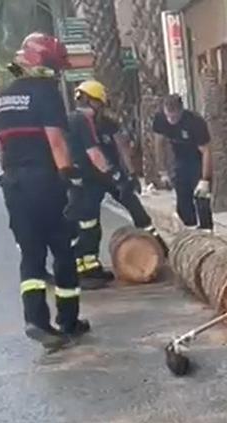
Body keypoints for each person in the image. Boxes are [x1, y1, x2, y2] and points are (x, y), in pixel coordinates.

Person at [0, 32, 88, 350]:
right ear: (43, 62)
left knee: (31, 254)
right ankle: (69, 321)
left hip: (14, 185)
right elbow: (56, 141)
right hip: (45, 182)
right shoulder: (45, 93)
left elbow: (0, 147)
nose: (57, 72)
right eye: (54, 65)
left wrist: (10, 176)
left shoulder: (1, 96)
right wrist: (70, 179)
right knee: (63, 249)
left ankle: (35, 320)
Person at [66, 79, 155, 288]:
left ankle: (92, 266)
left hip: (98, 176)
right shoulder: (80, 120)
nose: (100, 108)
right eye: (99, 103)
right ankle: (82, 270)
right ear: (93, 101)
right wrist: (116, 176)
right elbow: (94, 154)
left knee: (129, 210)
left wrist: (128, 175)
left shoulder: (97, 121)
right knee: (86, 224)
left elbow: (119, 145)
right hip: (87, 179)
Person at [151, 94, 213, 230]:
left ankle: (206, 230)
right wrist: (163, 171)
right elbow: (159, 144)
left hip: (197, 159)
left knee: (201, 199)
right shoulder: (160, 119)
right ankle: (188, 228)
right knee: (182, 197)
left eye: (174, 116)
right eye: (168, 116)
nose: (171, 120)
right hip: (180, 158)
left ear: (181, 111)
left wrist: (205, 179)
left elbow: (206, 152)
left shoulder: (195, 122)